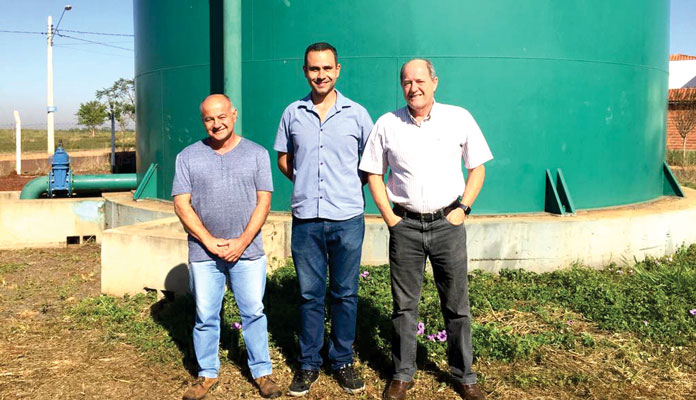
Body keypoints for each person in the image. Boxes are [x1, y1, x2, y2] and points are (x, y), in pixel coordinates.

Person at [359, 59, 493, 400]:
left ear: (435, 82)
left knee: (456, 304)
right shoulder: (387, 123)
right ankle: (402, 373)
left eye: (420, 80)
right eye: (406, 82)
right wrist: (389, 217)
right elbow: (374, 172)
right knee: (404, 306)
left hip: (447, 223)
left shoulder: (458, 118)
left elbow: (477, 168)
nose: (413, 87)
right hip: (405, 226)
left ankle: (464, 374)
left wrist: (463, 209)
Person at [273, 42, 374, 397]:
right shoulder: (293, 113)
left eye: (327, 68)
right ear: (305, 72)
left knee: (345, 293)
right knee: (308, 294)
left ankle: (342, 360)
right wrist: (306, 186)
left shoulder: (357, 114)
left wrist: (347, 187)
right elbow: (285, 159)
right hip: (306, 220)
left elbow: (372, 163)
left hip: (347, 217)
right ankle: (309, 363)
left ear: (338, 70)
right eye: (314, 69)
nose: (321, 75)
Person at [172, 94, 281, 400]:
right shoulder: (188, 157)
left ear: (233, 115)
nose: (216, 124)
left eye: (222, 117)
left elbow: (264, 202)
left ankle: (262, 372)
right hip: (204, 254)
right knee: (206, 314)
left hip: (246, 251)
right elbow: (182, 205)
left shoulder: (257, 154)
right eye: (209, 119)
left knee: (253, 312)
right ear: (203, 121)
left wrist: (242, 241)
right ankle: (207, 374)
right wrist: (208, 241)